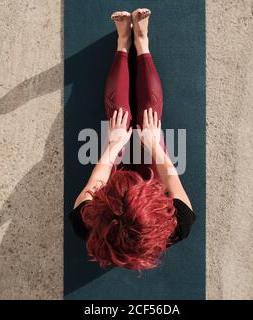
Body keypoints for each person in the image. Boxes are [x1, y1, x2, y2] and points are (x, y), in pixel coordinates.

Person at [70, 9, 195, 271]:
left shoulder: (85, 222)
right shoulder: (178, 224)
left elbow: (97, 181)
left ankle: (122, 44)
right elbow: (171, 179)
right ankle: (142, 42)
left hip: (121, 189)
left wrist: (113, 144)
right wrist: (154, 144)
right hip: (148, 187)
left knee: (121, 119)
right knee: (150, 119)